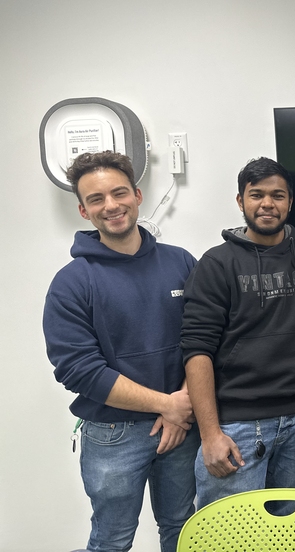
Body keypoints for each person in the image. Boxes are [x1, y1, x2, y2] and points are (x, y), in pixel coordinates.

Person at [43, 151, 199, 552]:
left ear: (137, 195)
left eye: (118, 193)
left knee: (183, 529)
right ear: (83, 210)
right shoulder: (72, 282)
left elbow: (204, 338)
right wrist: (168, 405)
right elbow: (78, 369)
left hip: (181, 427)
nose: (110, 205)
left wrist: (181, 404)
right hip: (113, 435)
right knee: (112, 540)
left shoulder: (181, 262)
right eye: (96, 199)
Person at [180, 157, 295, 509]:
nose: (267, 204)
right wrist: (210, 434)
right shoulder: (216, 264)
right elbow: (196, 350)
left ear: (290, 202)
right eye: (256, 195)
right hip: (236, 425)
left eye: (278, 195)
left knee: (291, 535)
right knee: (230, 535)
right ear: (240, 201)